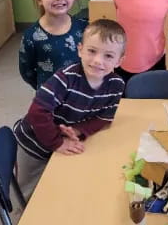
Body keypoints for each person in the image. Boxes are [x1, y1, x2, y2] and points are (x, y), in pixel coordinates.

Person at [13, 19, 126, 200]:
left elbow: (104, 117)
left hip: (66, 139)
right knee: (30, 191)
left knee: (63, 187)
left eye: (108, 56)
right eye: (92, 51)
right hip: (33, 143)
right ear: (80, 49)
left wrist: (78, 130)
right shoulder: (65, 78)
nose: (98, 61)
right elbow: (37, 113)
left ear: (120, 61)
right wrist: (57, 142)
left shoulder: (116, 85)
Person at [19, 0, 88, 90]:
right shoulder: (31, 37)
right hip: (49, 100)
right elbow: (27, 72)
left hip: (78, 96)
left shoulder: (84, 28)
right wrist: (44, 89)